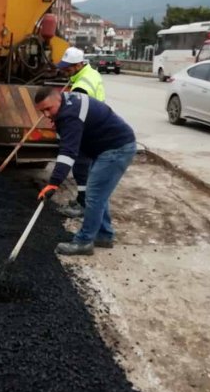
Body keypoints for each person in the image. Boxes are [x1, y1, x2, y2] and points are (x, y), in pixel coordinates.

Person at [34, 86, 137, 256]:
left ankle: (84, 242)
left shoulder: (70, 115)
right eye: (42, 111)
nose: (46, 115)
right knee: (98, 195)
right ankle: (104, 235)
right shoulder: (66, 104)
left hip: (116, 149)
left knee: (94, 196)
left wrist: (53, 183)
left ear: (58, 99)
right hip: (105, 147)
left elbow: (68, 152)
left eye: (48, 109)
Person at [56, 47, 107, 218]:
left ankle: (84, 205)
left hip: (88, 129)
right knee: (87, 168)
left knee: (81, 168)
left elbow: (75, 114)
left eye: (68, 67)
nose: (65, 70)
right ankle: (82, 200)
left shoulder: (82, 86)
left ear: (78, 65)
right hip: (95, 124)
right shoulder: (90, 73)